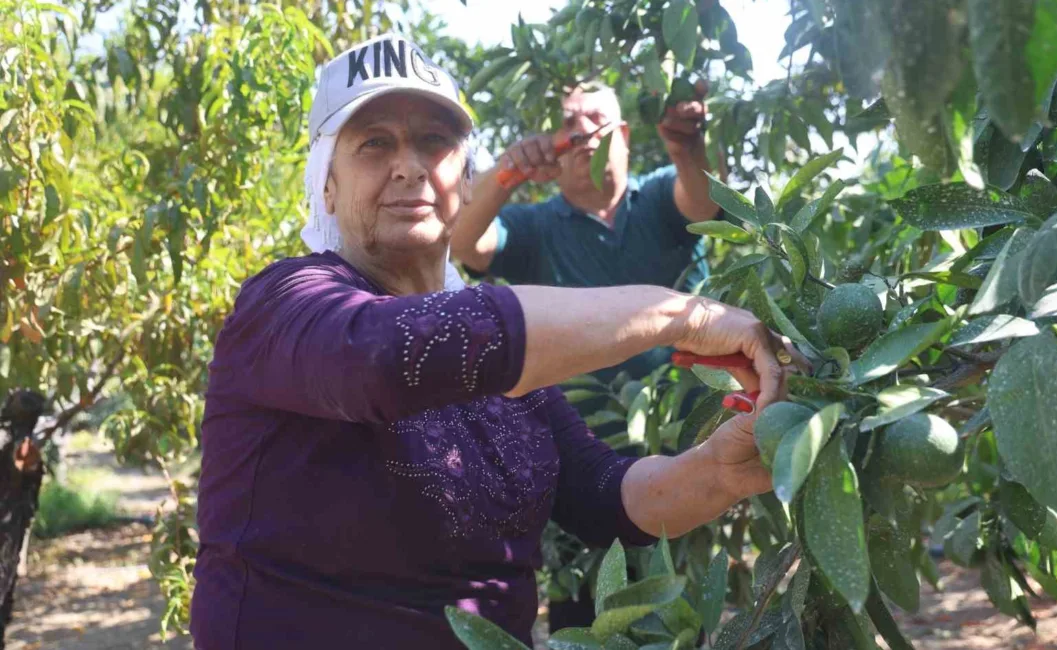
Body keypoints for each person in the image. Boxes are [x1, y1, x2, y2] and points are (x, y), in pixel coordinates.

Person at [191, 34, 799, 650]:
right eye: (374, 143)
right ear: (326, 183)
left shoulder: (510, 373)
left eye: (434, 140)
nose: (408, 165)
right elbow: (378, 357)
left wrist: (720, 471)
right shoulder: (284, 304)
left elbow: (602, 493)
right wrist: (681, 317)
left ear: (464, 174)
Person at [451, 82, 720, 382]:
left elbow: (703, 204)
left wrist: (687, 148)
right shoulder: (532, 227)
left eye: (596, 117)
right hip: (584, 426)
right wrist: (510, 168)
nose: (581, 129)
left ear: (624, 135)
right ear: (552, 145)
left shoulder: (658, 194)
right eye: (567, 123)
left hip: (698, 414)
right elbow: (461, 242)